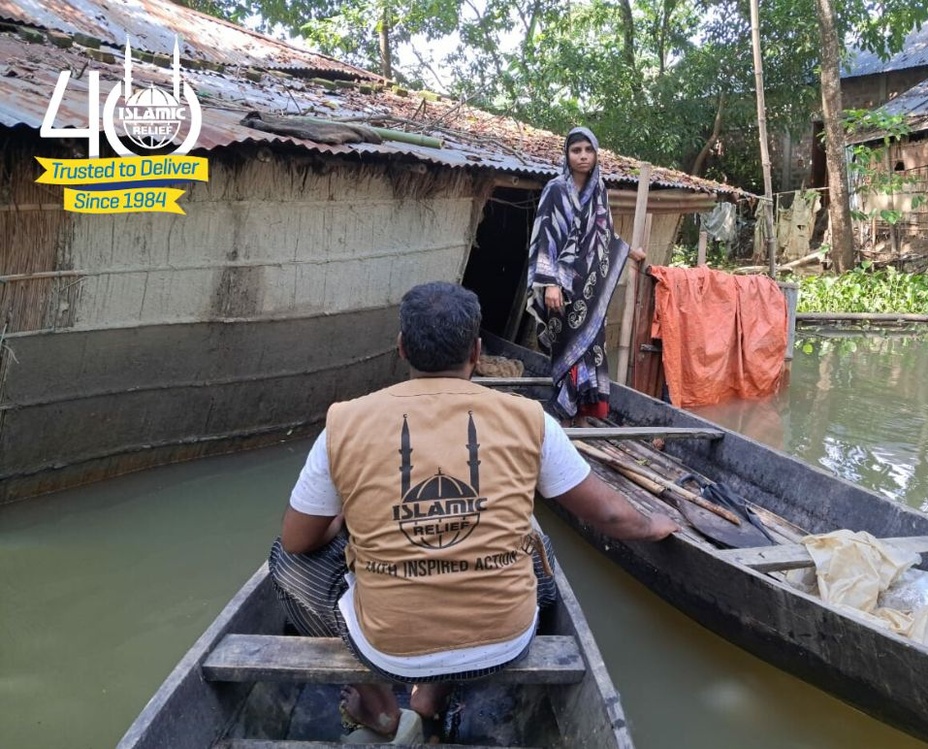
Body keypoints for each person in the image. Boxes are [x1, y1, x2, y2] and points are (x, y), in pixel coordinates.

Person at [269, 281, 678, 743]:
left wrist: (344, 524)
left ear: (402, 348)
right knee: (534, 542)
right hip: (503, 643)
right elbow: (611, 516)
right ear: (478, 352)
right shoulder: (529, 418)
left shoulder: (344, 422)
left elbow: (297, 541)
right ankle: (433, 697)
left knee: (283, 562)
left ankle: (380, 703)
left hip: (389, 649)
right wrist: (654, 524)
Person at [526, 126, 646, 426]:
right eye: (575, 150)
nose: (582, 156)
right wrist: (550, 283)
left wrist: (629, 252)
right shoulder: (555, 189)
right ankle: (564, 416)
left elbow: (605, 234)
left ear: (596, 154)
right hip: (561, 288)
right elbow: (544, 237)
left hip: (591, 287)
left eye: (588, 150)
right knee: (566, 346)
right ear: (566, 155)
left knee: (591, 347)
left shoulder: (600, 192)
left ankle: (582, 415)